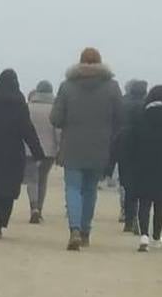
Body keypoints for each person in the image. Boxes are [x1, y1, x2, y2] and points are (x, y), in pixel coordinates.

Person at [51, 48, 122, 251]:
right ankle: (84, 231)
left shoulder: (67, 87)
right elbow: (120, 117)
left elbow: (55, 119)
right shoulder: (112, 87)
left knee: (73, 188)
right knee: (90, 190)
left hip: (72, 146)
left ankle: (73, 228)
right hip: (100, 147)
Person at [0, 69, 45, 240]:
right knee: (8, 190)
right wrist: (38, 152)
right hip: (12, 153)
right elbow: (27, 129)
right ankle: (2, 218)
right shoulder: (19, 103)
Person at [118, 85, 162, 252]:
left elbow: (129, 144)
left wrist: (131, 163)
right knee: (160, 203)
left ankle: (143, 236)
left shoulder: (139, 118)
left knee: (144, 201)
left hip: (142, 166)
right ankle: (156, 237)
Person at [115, 79, 148, 232]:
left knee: (126, 184)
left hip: (123, 145)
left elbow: (114, 123)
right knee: (142, 184)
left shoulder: (122, 103)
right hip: (143, 147)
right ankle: (138, 218)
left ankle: (127, 216)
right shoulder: (148, 106)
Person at [25, 80, 59, 223]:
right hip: (49, 150)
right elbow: (58, 131)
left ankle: (33, 207)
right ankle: (40, 208)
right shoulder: (55, 108)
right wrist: (59, 148)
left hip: (29, 149)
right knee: (42, 178)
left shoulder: (28, 107)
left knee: (32, 179)